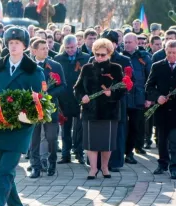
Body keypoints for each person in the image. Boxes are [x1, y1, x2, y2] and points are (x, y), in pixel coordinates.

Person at [0, 27, 45, 206]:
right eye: (10, 43)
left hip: (21, 127)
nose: (13, 45)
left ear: (25, 46)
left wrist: (25, 114)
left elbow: (40, 101)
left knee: (5, 171)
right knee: (5, 173)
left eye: (17, 43)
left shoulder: (34, 70)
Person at [75, 38, 125, 179]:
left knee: (107, 142)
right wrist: (82, 97)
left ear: (109, 54)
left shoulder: (116, 68)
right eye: (97, 54)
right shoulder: (87, 68)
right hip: (90, 111)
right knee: (91, 142)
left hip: (109, 111)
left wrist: (112, 94)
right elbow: (77, 88)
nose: (99, 57)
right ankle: (93, 168)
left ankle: (104, 167)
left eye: (103, 55)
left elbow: (122, 89)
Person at [29, 39, 65, 178]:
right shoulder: (28, 66)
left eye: (47, 48)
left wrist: (48, 95)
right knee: (34, 139)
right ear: (34, 51)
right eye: (42, 48)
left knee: (51, 138)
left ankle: (52, 164)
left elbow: (63, 86)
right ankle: (35, 167)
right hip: (32, 107)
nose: (46, 50)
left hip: (50, 107)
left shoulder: (55, 65)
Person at [146, 40, 176, 179]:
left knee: (175, 140)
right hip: (162, 109)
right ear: (165, 51)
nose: (171, 55)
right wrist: (157, 96)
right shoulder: (158, 66)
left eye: (174, 53)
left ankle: (175, 166)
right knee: (162, 139)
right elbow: (149, 87)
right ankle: (162, 163)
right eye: (169, 52)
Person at [54, 35, 89, 165]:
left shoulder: (85, 58)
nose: (70, 50)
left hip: (80, 97)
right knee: (65, 129)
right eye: (67, 47)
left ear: (77, 45)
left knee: (80, 128)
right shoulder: (58, 59)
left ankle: (79, 153)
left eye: (72, 47)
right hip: (64, 98)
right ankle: (65, 154)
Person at [122, 33, 152, 163]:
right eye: (125, 42)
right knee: (122, 126)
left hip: (138, 98)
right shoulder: (119, 57)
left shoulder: (144, 57)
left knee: (135, 126)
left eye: (130, 42)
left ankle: (129, 153)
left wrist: (149, 98)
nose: (127, 44)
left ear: (136, 43)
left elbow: (150, 79)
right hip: (122, 98)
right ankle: (120, 152)